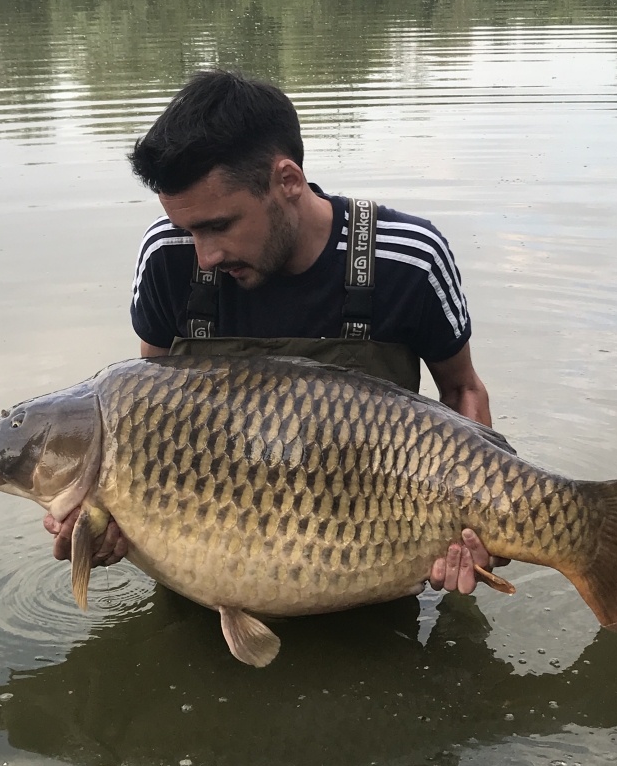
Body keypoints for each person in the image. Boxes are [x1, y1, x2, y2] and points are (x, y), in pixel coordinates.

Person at [45, 70, 508, 596]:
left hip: (374, 554)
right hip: (208, 573)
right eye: (186, 228)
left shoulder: (407, 258)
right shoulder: (167, 258)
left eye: (219, 225)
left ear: (287, 181)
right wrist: (109, 526)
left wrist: (481, 521)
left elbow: (462, 389)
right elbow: (148, 417)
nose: (204, 255)